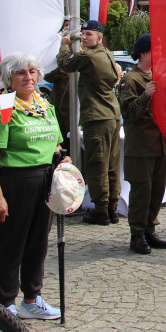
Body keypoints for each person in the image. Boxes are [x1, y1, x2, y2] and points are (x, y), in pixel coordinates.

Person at [0, 51, 67, 319]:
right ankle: (5, 305)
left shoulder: (44, 104)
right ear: (9, 78)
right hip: (16, 182)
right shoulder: (4, 107)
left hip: (45, 181)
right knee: (11, 246)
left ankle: (32, 298)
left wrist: (63, 159)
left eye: (31, 71)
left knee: (37, 244)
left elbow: (56, 144)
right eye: (20, 73)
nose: (27, 77)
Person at [58, 19, 122, 225]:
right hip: (112, 115)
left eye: (88, 35)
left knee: (97, 164)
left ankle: (101, 210)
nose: (84, 38)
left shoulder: (89, 56)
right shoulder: (107, 54)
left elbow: (65, 65)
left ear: (99, 38)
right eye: (83, 34)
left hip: (97, 116)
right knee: (112, 165)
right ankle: (112, 208)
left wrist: (64, 47)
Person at [119, 34, 166, 255]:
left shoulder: (158, 76)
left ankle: (150, 229)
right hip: (141, 147)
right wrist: (146, 95)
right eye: (155, 51)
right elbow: (128, 112)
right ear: (143, 53)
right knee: (142, 191)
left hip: (160, 144)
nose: (159, 55)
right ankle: (137, 234)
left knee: (157, 190)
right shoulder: (131, 79)